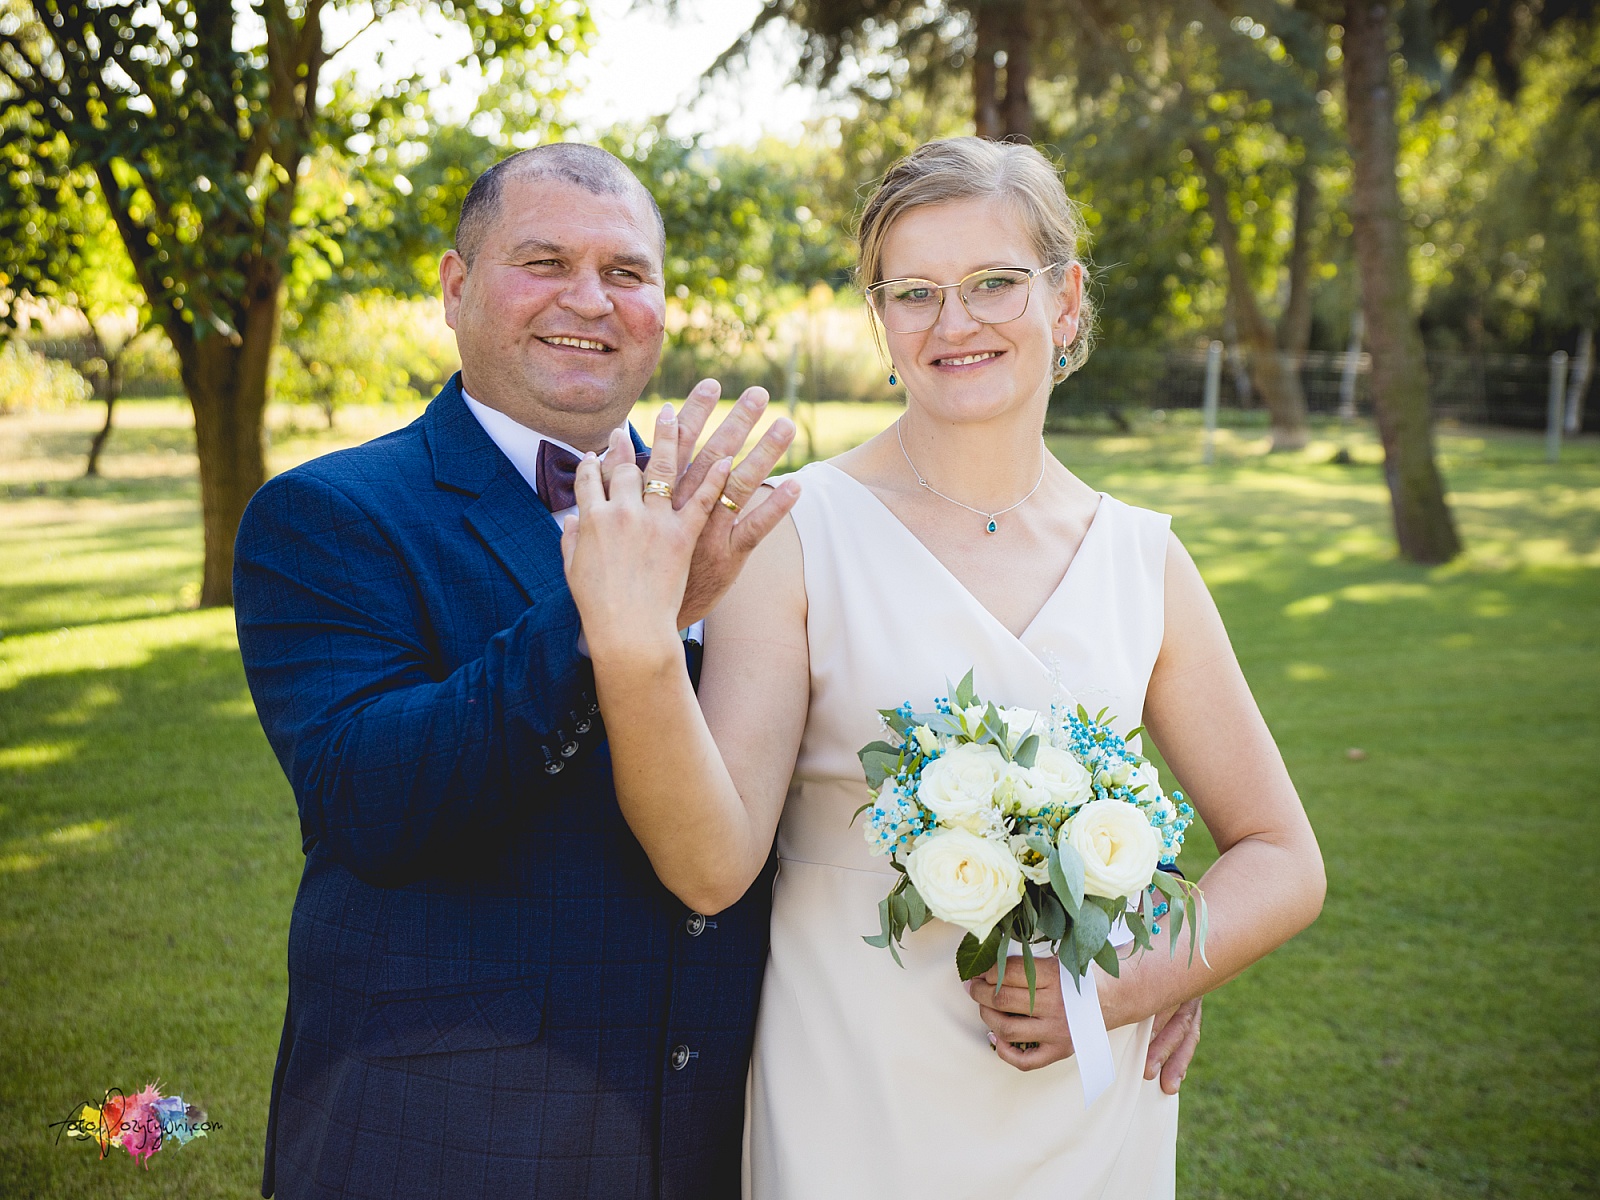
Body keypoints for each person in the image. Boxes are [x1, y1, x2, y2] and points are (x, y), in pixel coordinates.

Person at [561, 136, 1326, 1199]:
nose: (953, 322)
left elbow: (1282, 856)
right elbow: (711, 865)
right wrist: (635, 646)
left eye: (994, 283)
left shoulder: (1142, 558)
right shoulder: (797, 531)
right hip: (854, 1089)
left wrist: (1130, 983)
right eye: (913, 292)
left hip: (1088, 1109)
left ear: (1065, 301)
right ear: (881, 323)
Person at [233, 142, 801, 1200]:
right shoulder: (328, 515)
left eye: (626, 273)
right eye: (544, 263)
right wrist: (610, 614)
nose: (589, 300)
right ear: (456, 287)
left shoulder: (725, 516)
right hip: (444, 1143)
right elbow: (376, 804)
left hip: (711, 1139)